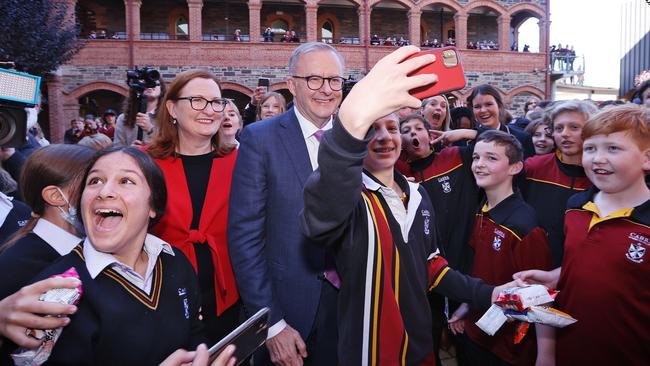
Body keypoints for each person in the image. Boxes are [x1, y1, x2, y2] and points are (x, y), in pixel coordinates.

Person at [299, 46, 510, 364]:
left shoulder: (418, 194)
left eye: (393, 128)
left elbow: (433, 268)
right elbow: (319, 217)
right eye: (372, 129)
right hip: (370, 352)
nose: (385, 137)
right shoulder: (350, 197)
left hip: (421, 348)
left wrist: (490, 293)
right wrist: (351, 121)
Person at [17, 147, 205, 365]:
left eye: (126, 180)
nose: (104, 191)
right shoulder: (56, 293)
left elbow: (195, 334)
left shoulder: (175, 262)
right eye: (95, 181)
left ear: (152, 205)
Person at [228, 42, 346, 365]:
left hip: (350, 314)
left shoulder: (357, 140)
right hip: (288, 314)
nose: (326, 90)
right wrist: (272, 325)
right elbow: (245, 240)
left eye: (334, 80)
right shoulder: (259, 139)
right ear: (292, 85)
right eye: (314, 80)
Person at [515, 104, 650, 365]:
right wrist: (557, 276)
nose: (598, 158)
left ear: (646, 158)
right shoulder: (576, 207)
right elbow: (589, 262)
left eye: (613, 148)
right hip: (570, 350)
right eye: (590, 148)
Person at [147, 70, 241, 345]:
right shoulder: (143, 164)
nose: (210, 110)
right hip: (162, 301)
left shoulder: (240, 162)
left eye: (216, 102)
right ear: (172, 107)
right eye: (198, 100)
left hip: (226, 301)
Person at [447, 130, 552, 366]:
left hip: (506, 348)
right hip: (475, 331)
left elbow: (541, 295)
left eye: (491, 158)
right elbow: (480, 269)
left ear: (515, 167)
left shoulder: (524, 225)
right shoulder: (482, 209)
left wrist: (546, 354)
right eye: (475, 157)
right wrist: (466, 304)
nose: (479, 165)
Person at [0, 145, 94, 300]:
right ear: (56, 196)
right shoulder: (15, 267)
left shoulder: (96, 245)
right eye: (93, 182)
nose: (106, 192)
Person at [522, 100, 598, 266]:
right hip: (532, 267)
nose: (565, 133)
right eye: (558, 128)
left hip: (582, 268)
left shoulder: (603, 177)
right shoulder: (534, 167)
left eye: (574, 127)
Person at [467, 84, 535, 158]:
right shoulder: (465, 140)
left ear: (499, 106)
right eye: (477, 107)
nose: (483, 110)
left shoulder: (522, 138)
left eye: (488, 104)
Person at [115, 77, 165, 147]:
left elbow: (171, 145)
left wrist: (150, 130)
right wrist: (129, 151)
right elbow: (117, 148)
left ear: (161, 89)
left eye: (155, 84)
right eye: (146, 83)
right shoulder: (123, 118)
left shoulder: (168, 116)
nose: (150, 86)